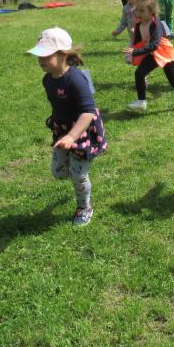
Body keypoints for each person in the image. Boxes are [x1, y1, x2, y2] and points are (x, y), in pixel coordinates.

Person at [26, 27, 107, 226]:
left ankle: (84, 207)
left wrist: (72, 136)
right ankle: (77, 171)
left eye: (46, 55)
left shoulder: (76, 80)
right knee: (59, 172)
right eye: (39, 55)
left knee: (78, 175)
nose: (41, 60)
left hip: (82, 131)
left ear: (63, 54)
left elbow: (88, 112)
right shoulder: (48, 79)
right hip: (62, 131)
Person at [125, 0, 174, 112]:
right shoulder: (139, 22)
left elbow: (154, 45)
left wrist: (135, 52)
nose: (138, 13)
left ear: (151, 12)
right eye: (137, 10)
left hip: (165, 53)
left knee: (173, 81)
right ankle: (141, 102)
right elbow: (138, 40)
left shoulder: (156, 24)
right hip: (152, 53)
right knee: (139, 73)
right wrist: (131, 52)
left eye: (142, 11)